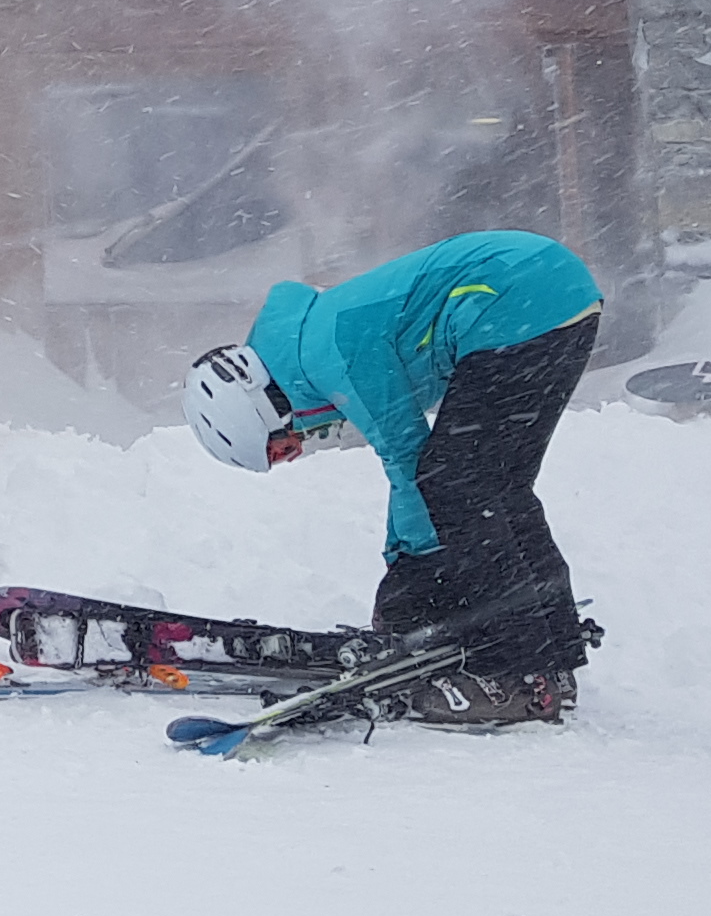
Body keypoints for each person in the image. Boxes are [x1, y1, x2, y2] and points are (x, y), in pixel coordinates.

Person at [184, 229, 604, 724]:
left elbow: (409, 458)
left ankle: (515, 673)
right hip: (555, 293)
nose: (294, 453)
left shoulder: (329, 353)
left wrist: (409, 573)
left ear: (264, 408)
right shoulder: (310, 344)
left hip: (515, 299)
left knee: (458, 486)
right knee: (496, 489)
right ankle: (550, 656)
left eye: (279, 446)